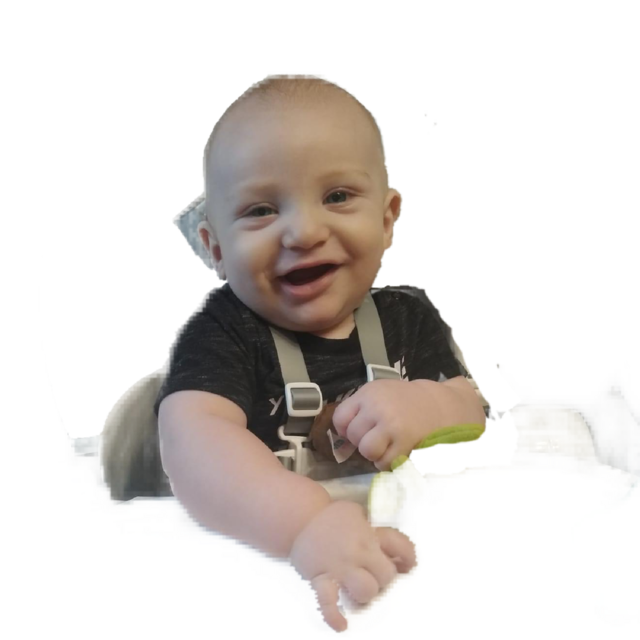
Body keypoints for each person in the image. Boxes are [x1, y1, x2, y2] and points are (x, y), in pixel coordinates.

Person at [156, 73, 476, 633]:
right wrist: (302, 525)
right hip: (282, 566)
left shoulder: (409, 315)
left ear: (387, 220)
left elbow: (471, 414)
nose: (303, 232)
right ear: (217, 248)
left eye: (337, 196)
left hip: (409, 557)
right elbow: (192, 446)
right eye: (260, 210)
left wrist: (427, 405)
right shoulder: (224, 329)